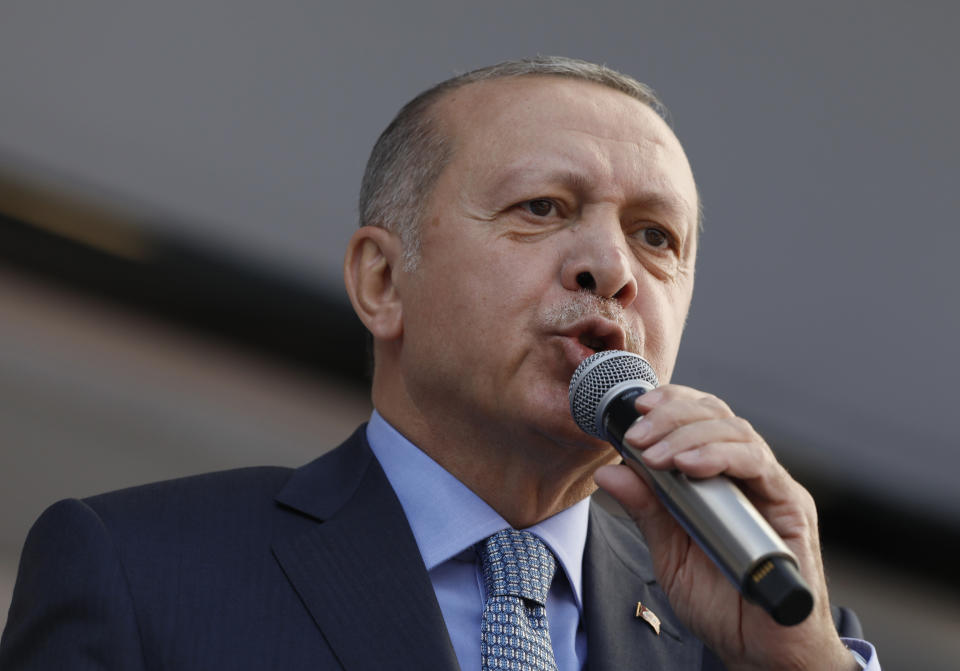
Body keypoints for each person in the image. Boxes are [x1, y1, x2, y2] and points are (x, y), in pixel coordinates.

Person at [0, 57, 878, 670]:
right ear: (383, 281)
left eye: (655, 237)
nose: (610, 269)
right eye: (542, 207)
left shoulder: (765, 619)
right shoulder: (141, 570)